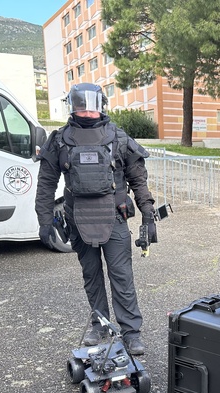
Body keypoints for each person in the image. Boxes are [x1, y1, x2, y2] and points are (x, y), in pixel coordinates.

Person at [34, 83, 156, 355]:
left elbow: (138, 180)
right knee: (91, 274)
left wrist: (148, 216)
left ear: (101, 105)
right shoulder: (59, 140)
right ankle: (100, 323)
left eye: (92, 105)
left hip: (114, 217)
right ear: (73, 106)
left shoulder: (119, 138)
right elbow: (46, 184)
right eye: (81, 105)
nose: (87, 111)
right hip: (78, 220)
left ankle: (131, 332)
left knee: (121, 276)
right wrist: (44, 221)